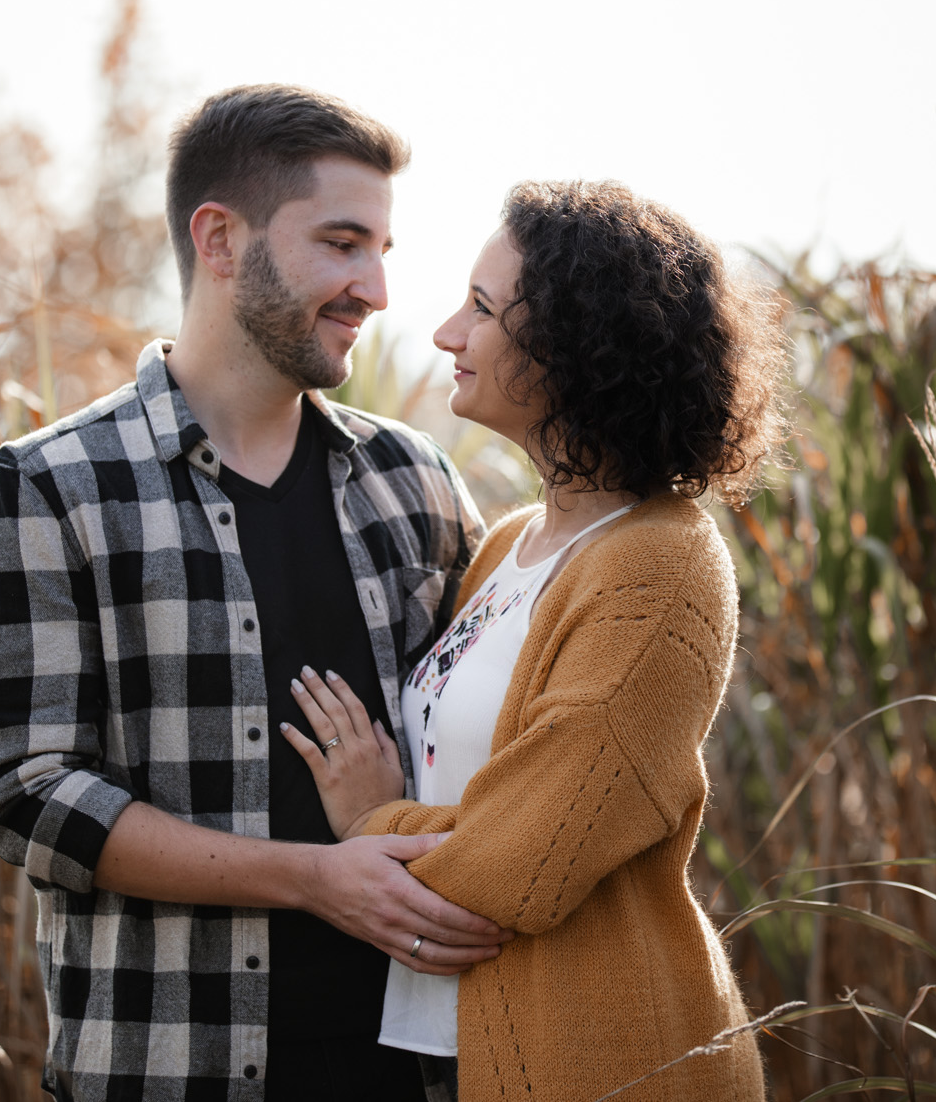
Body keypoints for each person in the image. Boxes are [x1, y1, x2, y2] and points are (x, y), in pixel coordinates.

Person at [0, 84, 509, 1102]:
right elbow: (28, 801)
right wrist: (315, 877)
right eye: (343, 244)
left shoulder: (416, 481)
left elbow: (495, 737)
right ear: (219, 240)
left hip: (417, 1076)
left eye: (382, 251)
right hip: (170, 1073)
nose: (375, 289)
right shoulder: (53, 485)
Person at [281, 181, 787, 1101]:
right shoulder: (514, 542)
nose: (445, 333)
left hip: (612, 1061)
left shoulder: (660, 566)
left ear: (572, 342)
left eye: (480, 307)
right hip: (456, 1048)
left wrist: (368, 821)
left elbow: (524, 861)